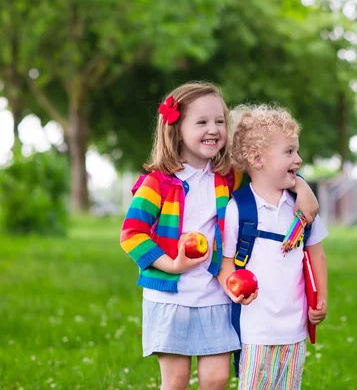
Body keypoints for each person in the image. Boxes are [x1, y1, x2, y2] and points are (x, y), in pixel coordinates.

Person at [120, 82, 319, 390]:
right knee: (176, 381)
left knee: (216, 379)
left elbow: (270, 169)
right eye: (201, 122)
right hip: (170, 298)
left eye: (219, 121)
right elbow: (132, 234)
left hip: (214, 294)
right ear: (176, 129)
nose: (213, 129)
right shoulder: (157, 183)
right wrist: (171, 264)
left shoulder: (228, 175)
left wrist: (301, 187)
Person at [219, 105, 329, 390]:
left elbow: (316, 252)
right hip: (255, 329)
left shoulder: (301, 207)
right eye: (289, 152)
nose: (299, 159)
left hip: (294, 328)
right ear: (257, 158)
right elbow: (227, 261)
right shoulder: (238, 209)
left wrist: (320, 300)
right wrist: (234, 288)